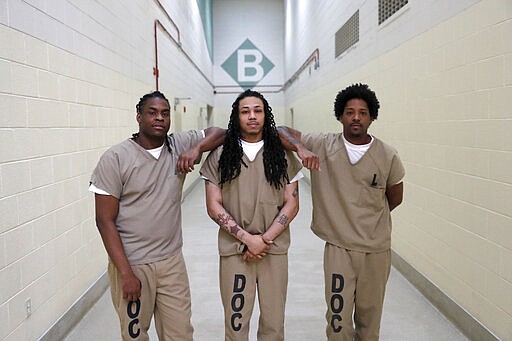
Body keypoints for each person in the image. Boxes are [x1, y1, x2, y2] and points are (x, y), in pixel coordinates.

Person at [89, 90, 225, 341]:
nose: (159, 118)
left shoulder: (177, 146)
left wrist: (196, 149)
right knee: (135, 336)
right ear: (139, 117)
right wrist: (126, 273)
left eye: (164, 113)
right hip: (133, 263)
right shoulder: (115, 158)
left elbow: (220, 132)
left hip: (171, 261)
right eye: (152, 113)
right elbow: (104, 221)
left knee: (180, 334)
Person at [278, 83, 405, 341]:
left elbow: (395, 197)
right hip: (339, 248)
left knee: (370, 319)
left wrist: (366, 219)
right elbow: (280, 130)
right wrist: (300, 148)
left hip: (375, 249)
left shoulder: (387, 155)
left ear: (372, 117)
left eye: (363, 112)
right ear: (340, 116)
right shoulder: (322, 144)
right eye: (349, 112)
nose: (356, 117)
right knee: (337, 320)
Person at [200, 89, 303, 341]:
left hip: (273, 252)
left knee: (274, 323)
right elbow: (214, 206)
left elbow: (292, 203)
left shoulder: (282, 154)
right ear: (236, 117)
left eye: (257, 110)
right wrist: (248, 239)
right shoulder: (221, 155)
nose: (252, 116)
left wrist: (264, 240)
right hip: (235, 252)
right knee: (236, 323)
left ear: (266, 115)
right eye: (245, 111)